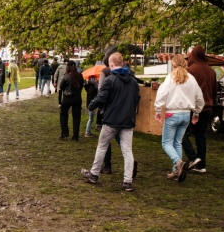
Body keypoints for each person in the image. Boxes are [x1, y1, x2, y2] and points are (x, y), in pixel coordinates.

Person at [81, 53, 140, 192]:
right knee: (127, 150)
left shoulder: (110, 80)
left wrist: (91, 105)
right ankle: (127, 181)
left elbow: (102, 97)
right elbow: (136, 99)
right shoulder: (133, 81)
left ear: (112, 64)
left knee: (102, 146)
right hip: (127, 120)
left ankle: (94, 174)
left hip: (112, 119)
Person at [154, 54, 204, 181]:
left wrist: (158, 110)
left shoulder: (170, 78)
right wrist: (197, 112)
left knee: (166, 143)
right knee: (178, 142)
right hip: (186, 114)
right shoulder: (191, 79)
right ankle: (177, 171)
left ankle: (178, 163)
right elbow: (199, 97)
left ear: (173, 64)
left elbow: (161, 94)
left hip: (172, 113)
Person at [181, 45, 217, 174]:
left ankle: (193, 157)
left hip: (193, 107)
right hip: (207, 108)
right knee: (200, 136)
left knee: (181, 133)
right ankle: (201, 165)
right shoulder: (212, 71)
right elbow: (214, 91)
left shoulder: (191, 70)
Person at [58, 61, 85, 140]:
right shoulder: (80, 75)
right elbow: (81, 87)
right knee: (76, 117)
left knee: (63, 114)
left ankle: (64, 132)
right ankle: (75, 135)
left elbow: (61, 86)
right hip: (77, 98)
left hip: (67, 97)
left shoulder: (66, 76)